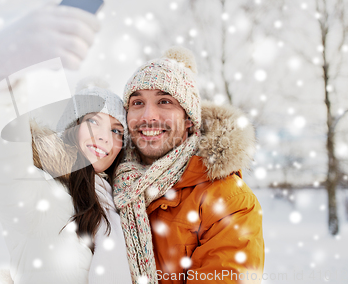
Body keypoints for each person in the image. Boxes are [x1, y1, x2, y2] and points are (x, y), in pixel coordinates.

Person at [0, 3, 131, 284]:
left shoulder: (122, 206)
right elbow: (1, 162)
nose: (105, 137)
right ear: (70, 129)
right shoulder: (40, 194)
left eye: (117, 130)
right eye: (92, 121)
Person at [113, 46, 265, 284]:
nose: (148, 116)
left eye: (164, 101)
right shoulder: (108, 182)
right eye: (137, 102)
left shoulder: (228, 199)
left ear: (188, 120)